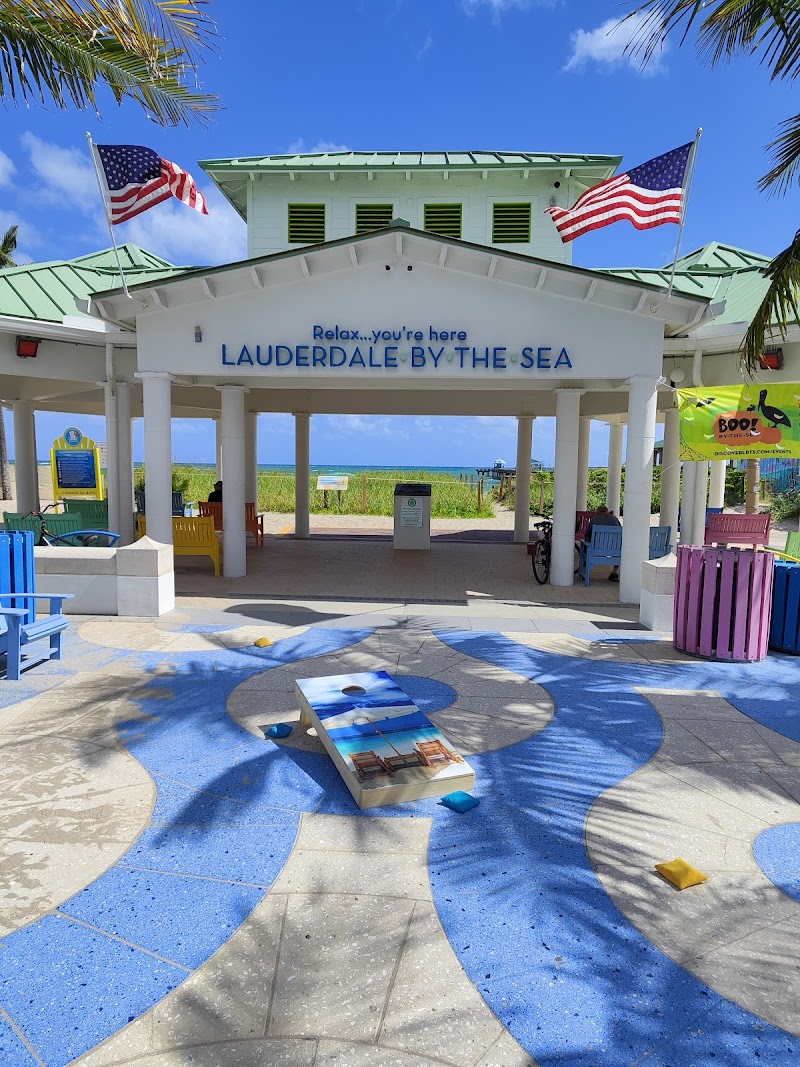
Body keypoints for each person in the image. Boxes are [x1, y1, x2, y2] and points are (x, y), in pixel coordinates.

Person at [584, 505, 621, 582]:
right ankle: (615, 572)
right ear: (607, 511)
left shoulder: (595, 519)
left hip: (596, 549)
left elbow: (587, 533)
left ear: (597, 512)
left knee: (585, 545)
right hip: (615, 550)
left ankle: (585, 569)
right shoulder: (614, 518)